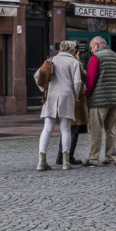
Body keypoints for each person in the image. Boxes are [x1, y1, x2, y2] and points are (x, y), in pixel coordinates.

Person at [38, 41, 82, 171]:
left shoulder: (50, 60)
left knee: (47, 128)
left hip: (51, 96)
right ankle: (65, 161)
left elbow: (38, 77)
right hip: (67, 96)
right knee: (65, 128)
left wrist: (45, 90)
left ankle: (41, 161)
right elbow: (77, 82)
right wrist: (76, 95)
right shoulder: (73, 62)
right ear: (72, 50)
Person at [84, 36, 116, 166]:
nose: (91, 51)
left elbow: (91, 80)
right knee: (111, 131)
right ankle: (111, 157)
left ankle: (93, 158)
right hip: (115, 101)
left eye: (92, 47)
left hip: (98, 101)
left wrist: (86, 95)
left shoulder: (96, 58)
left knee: (96, 130)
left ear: (97, 45)